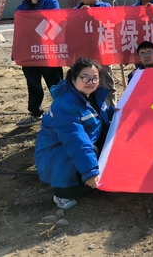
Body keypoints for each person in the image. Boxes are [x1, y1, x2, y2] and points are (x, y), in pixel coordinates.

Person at [34, 57, 116, 209]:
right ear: (73, 79)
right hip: (58, 152)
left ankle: (90, 172)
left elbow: (103, 114)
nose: (90, 82)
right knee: (89, 152)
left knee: (108, 138)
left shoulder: (93, 96)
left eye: (95, 78)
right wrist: (90, 171)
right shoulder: (64, 103)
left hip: (81, 144)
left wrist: (119, 112)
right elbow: (75, 139)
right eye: (85, 77)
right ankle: (62, 193)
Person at [15, 0, 64, 127]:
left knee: (56, 84)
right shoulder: (21, 7)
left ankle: (64, 113)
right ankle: (36, 113)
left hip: (49, 52)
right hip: (30, 52)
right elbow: (20, 31)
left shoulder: (51, 2)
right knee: (33, 84)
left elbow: (52, 21)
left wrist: (32, 20)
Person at [74, 0, 117, 106]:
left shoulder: (105, 7)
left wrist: (92, 13)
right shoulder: (75, 11)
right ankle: (88, 110)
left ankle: (111, 109)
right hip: (82, 54)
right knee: (84, 83)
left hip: (102, 52)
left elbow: (112, 23)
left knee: (106, 83)